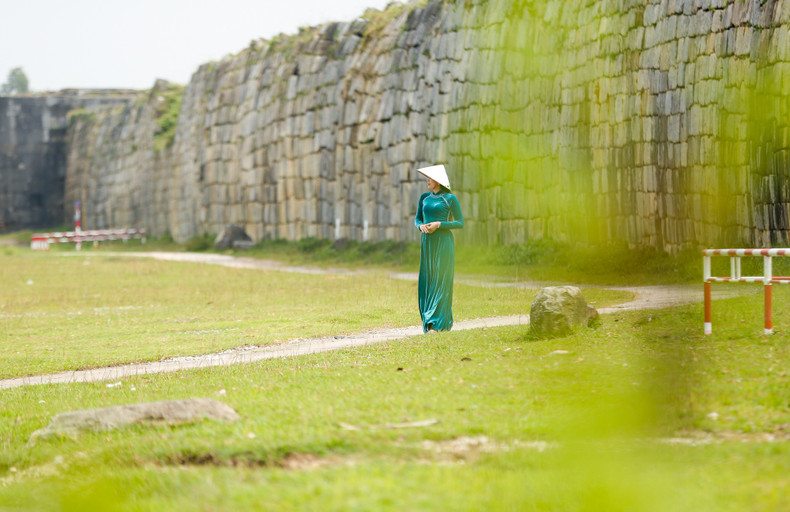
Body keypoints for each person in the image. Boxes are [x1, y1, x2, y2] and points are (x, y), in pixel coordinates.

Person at [414, 164, 464, 333]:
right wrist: (420, 227)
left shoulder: (450, 199)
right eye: (427, 177)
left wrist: (439, 224)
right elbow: (417, 219)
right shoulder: (424, 198)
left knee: (441, 281)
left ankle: (437, 323)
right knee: (428, 280)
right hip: (427, 244)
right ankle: (428, 321)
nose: (427, 180)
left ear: (439, 181)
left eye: (430, 177)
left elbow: (460, 223)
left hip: (443, 243)